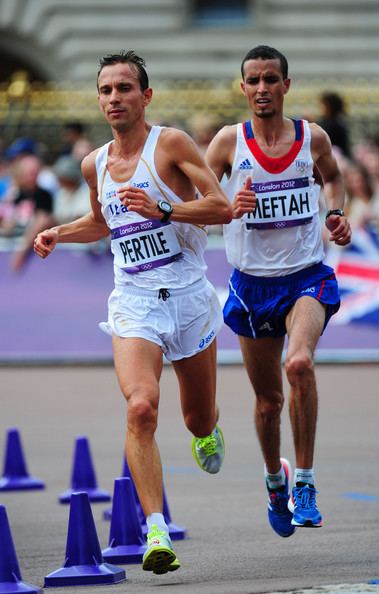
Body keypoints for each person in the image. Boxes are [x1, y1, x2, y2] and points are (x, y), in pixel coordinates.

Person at [34, 50, 232, 574]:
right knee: (141, 406)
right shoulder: (92, 163)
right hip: (134, 300)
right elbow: (103, 223)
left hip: (188, 296)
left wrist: (164, 208)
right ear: (98, 100)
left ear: (146, 96)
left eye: (124, 88)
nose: (114, 98)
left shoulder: (170, 144)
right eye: (105, 90)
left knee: (197, 418)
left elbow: (221, 206)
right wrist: (60, 231)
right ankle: (156, 532)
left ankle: (209, 427)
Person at [206, 45, 351, 537]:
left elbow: (333, 180)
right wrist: (230, 204)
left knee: (299, 363)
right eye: (254, 80)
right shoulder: (228, 143)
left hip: (305, 276)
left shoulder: (313, 137)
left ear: (286, 85)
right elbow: (198, 201)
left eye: (272, 79)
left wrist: (335, 213)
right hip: (251, 287)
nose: (263, 88)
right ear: (243, 88)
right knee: (268, 401)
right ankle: (276, 481)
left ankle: (305, 482)